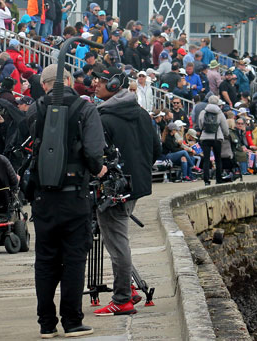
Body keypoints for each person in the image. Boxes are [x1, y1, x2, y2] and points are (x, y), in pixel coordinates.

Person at [27, 63, 106, 338]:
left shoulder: (35, 109)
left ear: (45, 84)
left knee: (45, 260)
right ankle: (72, 320)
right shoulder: (86, 109)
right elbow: (95, 154)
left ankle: (46, 324)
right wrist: (99, 168)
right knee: (74, 259)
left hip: (43, 197)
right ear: (69, 81)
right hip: (75, 196)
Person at [94, 66, 161, 316]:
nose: (94, 84)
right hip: (136, 187)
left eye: (99, 80)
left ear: (113, 85)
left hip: (114, 190)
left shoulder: (103, 118)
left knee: (117, 243)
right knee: (118, 239)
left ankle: (122, 299)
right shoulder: (142, 114)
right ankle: (129, 288)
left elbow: (96, 156)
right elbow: (157, 149)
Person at [197, 95, 229, 185]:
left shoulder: (203, 112)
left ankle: (206, 180)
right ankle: (218, 179)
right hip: (217, 138)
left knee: (206, 159)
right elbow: (225, 127)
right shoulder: (219, 113)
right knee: (218, 159)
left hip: (205, 138)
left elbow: (200, 125)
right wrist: (226, 134)